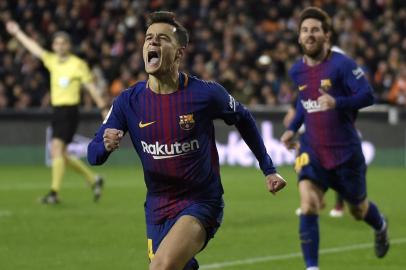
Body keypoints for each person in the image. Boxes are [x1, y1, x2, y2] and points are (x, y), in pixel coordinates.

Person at [88, 11, 287, 270]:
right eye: (148, 38)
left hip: (201, 201)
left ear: (179, 53)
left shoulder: (205, 94)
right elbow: (93, 155)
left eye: (162, 38)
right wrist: (104, 144)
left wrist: (268, 168)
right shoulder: (128, 101)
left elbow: (244, 118)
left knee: (161, 267)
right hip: (157, 205)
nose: (153, 43)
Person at [280, 7, 389, 270]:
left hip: (345, 153)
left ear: (326, 35)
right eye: (305, 30)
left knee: (358, 210)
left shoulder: (342, 65)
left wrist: (337, 102)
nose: (310, 34)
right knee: (307, 205)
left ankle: (380, 225)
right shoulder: (297, 71)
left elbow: (368, 96)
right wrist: (293, 128)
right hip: (313, 150)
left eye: (315, 29)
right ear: (299, 37)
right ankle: (312, 267)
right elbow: (303, 102)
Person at [6, 21, 108, 204]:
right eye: (57, 43)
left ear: (69, 45)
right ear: (54, 46)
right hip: (57, 111)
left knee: (56, 150)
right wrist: (17, 32)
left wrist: (102, 108)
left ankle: (54, 193)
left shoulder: (78, 64)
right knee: (62, 154)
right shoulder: (51, 60)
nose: (60, 46)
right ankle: (94, 179)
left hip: (69, 111)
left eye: (64, 43)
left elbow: (91, 87)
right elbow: (34, 49)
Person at [284, 98, 345, 218]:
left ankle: (338, 204)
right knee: (303, 171)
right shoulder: (300, 95)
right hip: (305, 141)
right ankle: (310, 201)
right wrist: (294, 128)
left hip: (326, 139)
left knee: (334, 172)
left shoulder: (326, 93)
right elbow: (287, 120)